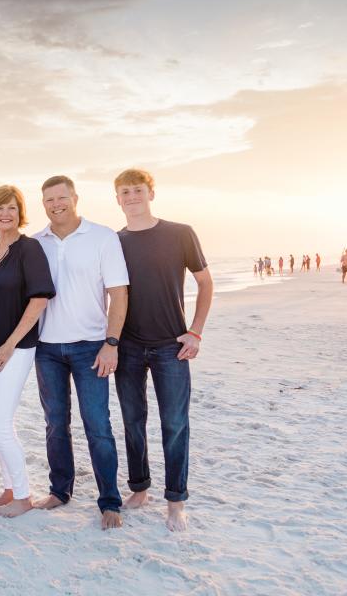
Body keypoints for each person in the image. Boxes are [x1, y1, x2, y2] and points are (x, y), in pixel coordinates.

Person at [113, 169, 214, 532]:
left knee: (174, 424)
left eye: (137, 190)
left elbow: (205, 283)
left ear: (150, 193)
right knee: (132, 421)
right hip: (127, 345)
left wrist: (195, 333)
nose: (132, 197)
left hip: (172, 346)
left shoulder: (180, 233)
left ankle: (176, 502)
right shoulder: (114, 241)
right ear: (118, 199)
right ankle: (139, 489)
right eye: (124, 192)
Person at [32, 175, 128, 530]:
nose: (56, 205)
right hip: (47, 349)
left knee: (97, 425)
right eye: (49, 200)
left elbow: (119, 294)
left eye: (62, 198)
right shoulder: (36, 242)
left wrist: (111, 343)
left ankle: (109, 502)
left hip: (92, 347)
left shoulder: (102, 237)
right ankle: (60, 491)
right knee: (55, 424)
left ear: (75, 198)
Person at [0, 185, 55, 518]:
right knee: (1, 420)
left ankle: (23, 495)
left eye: (11, 208)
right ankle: (9, 490)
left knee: (0, 424)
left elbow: (39, 299)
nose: (5, 214)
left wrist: (9, 344)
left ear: (20, 212)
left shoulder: (29, 249)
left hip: (16, 349)